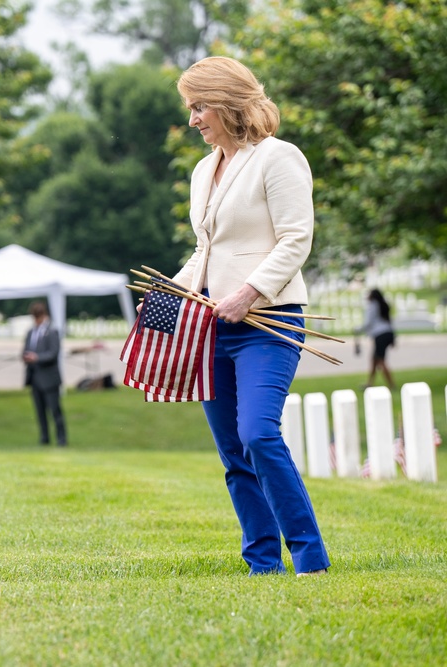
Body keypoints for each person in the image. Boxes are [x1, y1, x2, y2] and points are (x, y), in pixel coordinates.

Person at [171, 56, 330, 576]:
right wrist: (169, 297)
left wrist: (249, 292)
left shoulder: (278, 158)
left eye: (199, 107)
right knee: (233, 453)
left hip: (271, 322)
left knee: (258, 434)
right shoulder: (203, 170)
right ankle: (262, 563)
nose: (193, 119)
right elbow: (206, 250)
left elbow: (295, 240)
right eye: (190, 108)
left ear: (228, 101)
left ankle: (309, 556)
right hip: (211, 327)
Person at [22, 300, 66, 446]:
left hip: (49, 378)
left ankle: (61, 439)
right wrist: (26, 356)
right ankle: (44, 438)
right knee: (40, 412)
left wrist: (37, 358)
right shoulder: (30, 332)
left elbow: (53, 353)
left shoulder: (52, 331)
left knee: (55, 410)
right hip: (35, 378)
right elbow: (25, 349)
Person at [356, 288, 396, 389]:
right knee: (374, 360)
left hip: (380, 335)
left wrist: (358, 329)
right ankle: (369, 383)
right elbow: (389, 322)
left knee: (381, 361)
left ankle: (392, 384)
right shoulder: (383, 305)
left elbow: (368, 322)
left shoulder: (372, 305)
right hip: (388, 333)